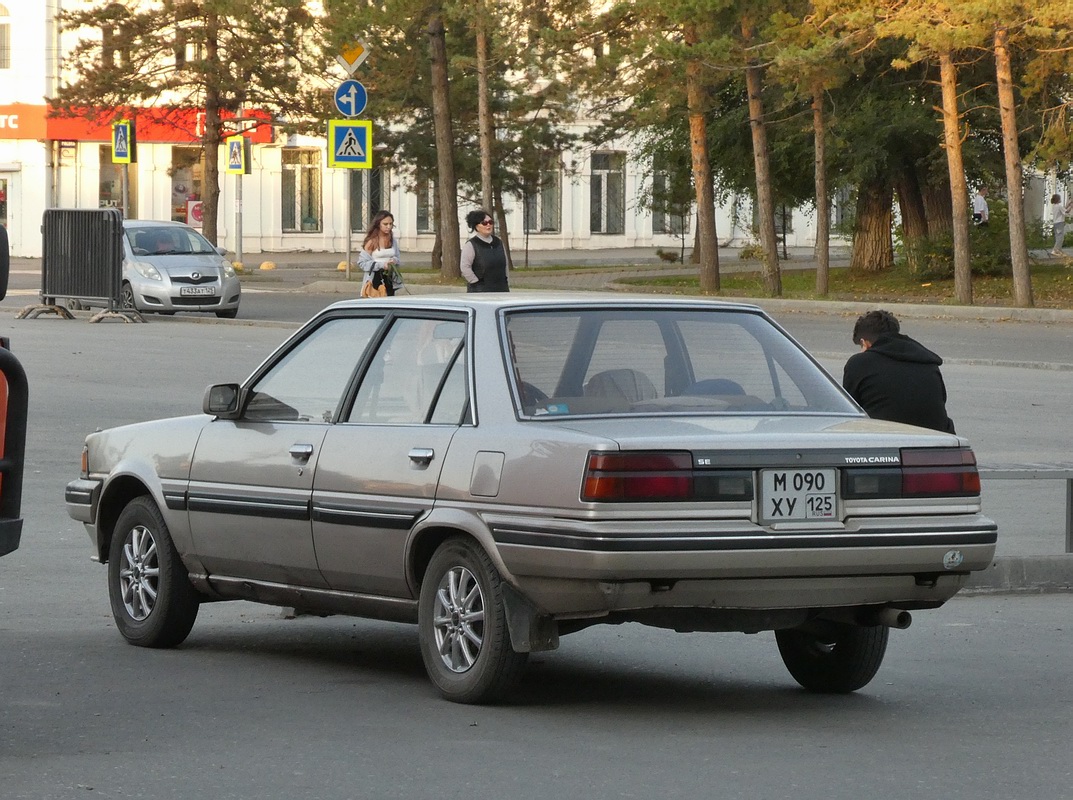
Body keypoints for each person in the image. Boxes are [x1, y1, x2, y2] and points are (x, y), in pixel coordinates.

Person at [842, 309, 956, 433]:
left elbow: (849, 411)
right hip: (936, 441)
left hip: (885, 440)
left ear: (865, 342)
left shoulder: (859, 363)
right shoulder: (928, 363)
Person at [460, 209, 509, 292]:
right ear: (476, 226)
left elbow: (506, 265)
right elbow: (465, 267)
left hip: (501, 290)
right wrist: (476, 283)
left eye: (490, 222)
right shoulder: (471, 245)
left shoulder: (499, 242)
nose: (488, 225)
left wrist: (506, 281)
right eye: (484, 223)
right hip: (480, 291)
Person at [358, 210, 402, 297]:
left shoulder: (392, 240)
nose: (388, 227)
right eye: (385, 224)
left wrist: (394, 261)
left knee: (389, 302)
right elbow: (362, 263)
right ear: (378, 224)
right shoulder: (372, 241)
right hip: (375, 278)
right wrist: (382, 265)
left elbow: (397, 257)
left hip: (389, 278)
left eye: (391, 224)